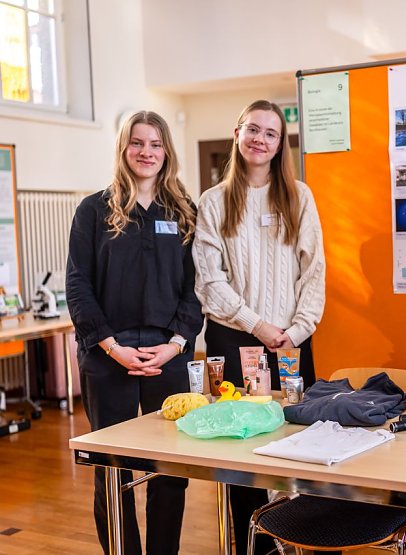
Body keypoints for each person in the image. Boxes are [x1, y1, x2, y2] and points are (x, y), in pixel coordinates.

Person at [66, 110, 202, 555]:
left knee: (170, 471)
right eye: (138, 143)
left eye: (156, 144)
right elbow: (78, 285)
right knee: (113, 472)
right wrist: (112, 346)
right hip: (108, 358)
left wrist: (175, 345)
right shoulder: (94, 210)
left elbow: (194, 288)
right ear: (124, 149)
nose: (147, 152)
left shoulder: (182, 212)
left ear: (167, 152)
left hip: (169, 357)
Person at [193, 100, 325, 555]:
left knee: (294, 440)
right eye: (253, 129)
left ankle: (302, 537)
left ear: (279, 144)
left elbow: (314, 272)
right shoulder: (212, 202)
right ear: (237, 133)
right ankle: (254, 545)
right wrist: (257, 325)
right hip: (233, 340)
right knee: (238, 448)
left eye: (271, 133)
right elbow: (209, 281)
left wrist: (297, 329)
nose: (260, 139)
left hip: (291, 342)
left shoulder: (298, 196)